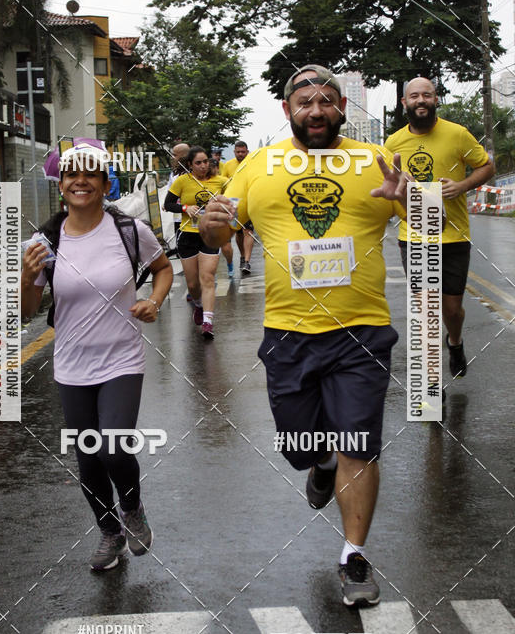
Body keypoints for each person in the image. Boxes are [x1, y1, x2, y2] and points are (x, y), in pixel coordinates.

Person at [200, 64, 409, 606]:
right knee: (303, 445)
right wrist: (212, 219)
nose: (316, 110)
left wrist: (408, 199)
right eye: (305, 102)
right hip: (289, 333)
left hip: (362, 331)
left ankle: (354, 557)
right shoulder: (259, 166)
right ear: (288, 110)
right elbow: (214, 232)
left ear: (341, 107)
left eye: (326, 101)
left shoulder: (374, 160)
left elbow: (425, 224)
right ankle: (318, 464)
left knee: (357, 443)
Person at [21, 143, 173, 571]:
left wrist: (154, 301)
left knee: (113, 446)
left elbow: (163, 268)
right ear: (62, 186)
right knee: (88, 459)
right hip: (71, 364)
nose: (80, 180)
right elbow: (26, 311)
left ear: (106, 184)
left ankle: (133, 509)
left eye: (90, 174)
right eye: (72, 175)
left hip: (122, 359)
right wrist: (28, 277)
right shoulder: (45, 241)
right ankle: (110, 534)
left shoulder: (129, 231)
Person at [385, 77, 494, 384]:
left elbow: (486, 166)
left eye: (427, 95)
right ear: (404, 103)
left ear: (436, 100)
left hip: (455, 235)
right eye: (414, 96)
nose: (421, 100)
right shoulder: (392, 144)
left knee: (452, 308)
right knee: (425, 308)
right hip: (415, 236)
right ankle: (430, 385)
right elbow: (385, 185)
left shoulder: (457, 134)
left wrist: (462, 186)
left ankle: (455, 342)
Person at [164, 145, 226, 339]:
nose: (202, 166)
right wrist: (185, 208)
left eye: (205, 162)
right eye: (198, 163)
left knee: (207, 278)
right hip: (188, 234)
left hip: (210, 234)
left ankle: (208, 321)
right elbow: (167, 204)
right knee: (192, 284)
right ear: (190, 164)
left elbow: (234, 200)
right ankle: (198, 305)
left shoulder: (221, 181)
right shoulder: (182, 181)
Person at [221, 140, 255, 275]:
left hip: (249, 202)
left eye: (243, 152)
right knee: (239, 232)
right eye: (238, 152)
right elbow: (222, 184)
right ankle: (242, 256)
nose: (241, 154)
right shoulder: (228, 165)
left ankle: (247, 261)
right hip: (233, 204)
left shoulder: (253, 163)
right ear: (234, 152)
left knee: (249, 231)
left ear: (247, 151)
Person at [209, 157, 234, 278]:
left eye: (212, 167)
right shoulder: (198, 181)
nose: (209, 170)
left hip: (221, 216)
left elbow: (233, 196)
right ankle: (209, 273)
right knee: (208, 247)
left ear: (217, 168)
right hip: (203, 219)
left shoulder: (223, 181)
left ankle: (230, 264)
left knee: (226, 247)